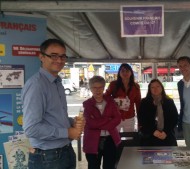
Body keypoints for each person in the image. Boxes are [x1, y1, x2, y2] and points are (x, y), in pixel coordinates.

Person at [22, 39, 85, 169]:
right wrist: (67, 132)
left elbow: (55, 117)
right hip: (47, 157)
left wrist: (72, 122)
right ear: (41, 57)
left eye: (62, 56)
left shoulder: (57, 83)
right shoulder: (36, 85)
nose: (59, 60)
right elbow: (31, 128)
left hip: (64, 152)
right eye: (53, 55)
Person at [83, 76, 121, 169]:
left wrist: (99, 122)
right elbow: (90, 123)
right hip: (92, 140)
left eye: (100, 87)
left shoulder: (110, 101)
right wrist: (108, 120)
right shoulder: (87, 104)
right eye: (95, 87)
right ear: (91, 88)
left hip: (110, 139)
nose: (98, 90)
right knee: (93, 166)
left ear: (104, 88)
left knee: (110, 166)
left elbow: (117, 118)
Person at [138, 79, 178, 146]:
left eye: (157, 86)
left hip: (166, 136)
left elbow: (174, 118)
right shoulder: (144, 102)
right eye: (152, 87)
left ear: (162, 87)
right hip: (149, 137)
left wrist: (165, 132)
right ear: (149, 89)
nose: (155, 89)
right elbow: (142, 119)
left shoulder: (169, 102)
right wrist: (153, 131)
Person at [104, 63, 141, 132]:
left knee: (129, 140)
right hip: (115, 117)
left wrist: (140, 122)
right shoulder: (113, 84)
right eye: (122, 71)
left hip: (130, 118)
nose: (125, 73)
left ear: (131, 73)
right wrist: (114, 101)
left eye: (127, 71)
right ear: (119, 73)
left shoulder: (136, 86)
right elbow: (105, 98)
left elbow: (138, 104)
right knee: (114, 139)